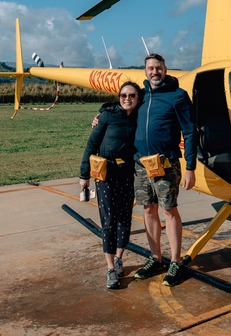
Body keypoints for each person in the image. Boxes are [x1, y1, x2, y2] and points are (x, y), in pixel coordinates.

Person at [132, 53, 196, 287]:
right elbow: (121, 109)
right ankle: (156, 259)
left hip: (166, 163)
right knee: (148, 210)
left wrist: (190, 167)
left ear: (165, 69)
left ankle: (176, 262)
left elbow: (190, 133)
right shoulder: (140, 96)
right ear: (145, 71)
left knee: (169, 211)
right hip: (141, 163)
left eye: (158, 68)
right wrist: (100, 116)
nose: (154, 72)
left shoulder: (178, 96)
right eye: (150, 68)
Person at [79, 81, 141, 290]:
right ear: (118, 96)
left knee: (125, 218)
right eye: (123, 95)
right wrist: (84, 174)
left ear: (138, 98)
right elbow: (92, 145)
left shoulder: (139, 116)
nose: (127, 98)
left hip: (127, 174)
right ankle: (110, 268)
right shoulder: (107, 115)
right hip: (106, 175)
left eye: (132, 95)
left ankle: (119, 259)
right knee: (109, 219)